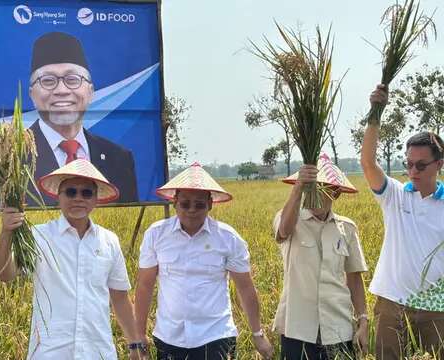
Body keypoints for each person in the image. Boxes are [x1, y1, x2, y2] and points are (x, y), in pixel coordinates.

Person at [0, 158, 146, 359]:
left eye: (86, 193)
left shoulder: (109, 241)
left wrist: (135, 344)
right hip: (50, 352)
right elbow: (4, 274)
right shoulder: (38, 236)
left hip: (97, 351)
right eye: (71, 192)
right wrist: (6, 232)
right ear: (59, 196)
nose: (78, 198)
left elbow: (119, 298)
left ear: (95, 199)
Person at [0, 31, 138, 208]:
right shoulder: (0, 160)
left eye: (72, 79)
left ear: (90, 92)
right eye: (48, 81)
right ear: (32, 94)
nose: (61, 90)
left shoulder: (119, 159)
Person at [134, 162, 274, 360]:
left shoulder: (228, 238)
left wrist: (258, 334)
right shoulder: (156, 235)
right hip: (169, 337)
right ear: (175, 202)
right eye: (185, 203)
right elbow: (144, 286)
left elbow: (245, 288)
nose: (192, 210)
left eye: (199, 204)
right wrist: (138, 335)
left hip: (215, 336)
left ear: (210, 204)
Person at [362, 85, 444, 359]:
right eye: (408, 164)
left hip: (435, 305)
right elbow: (368, 164)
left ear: (439, 164)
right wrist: (376, 113)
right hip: (391, 303)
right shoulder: (395, 196)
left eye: (421, 165)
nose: (412, 171)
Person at [273, 153, 368, 359]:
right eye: (311, 189)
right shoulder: (289, 218)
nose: (315, 195)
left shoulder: (347, 228)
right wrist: (298, 187)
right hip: (297, 328)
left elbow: (354, 277)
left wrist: (363, 320)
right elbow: (283, 232)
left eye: (323, 189)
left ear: (335, 193)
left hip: (338, 326)